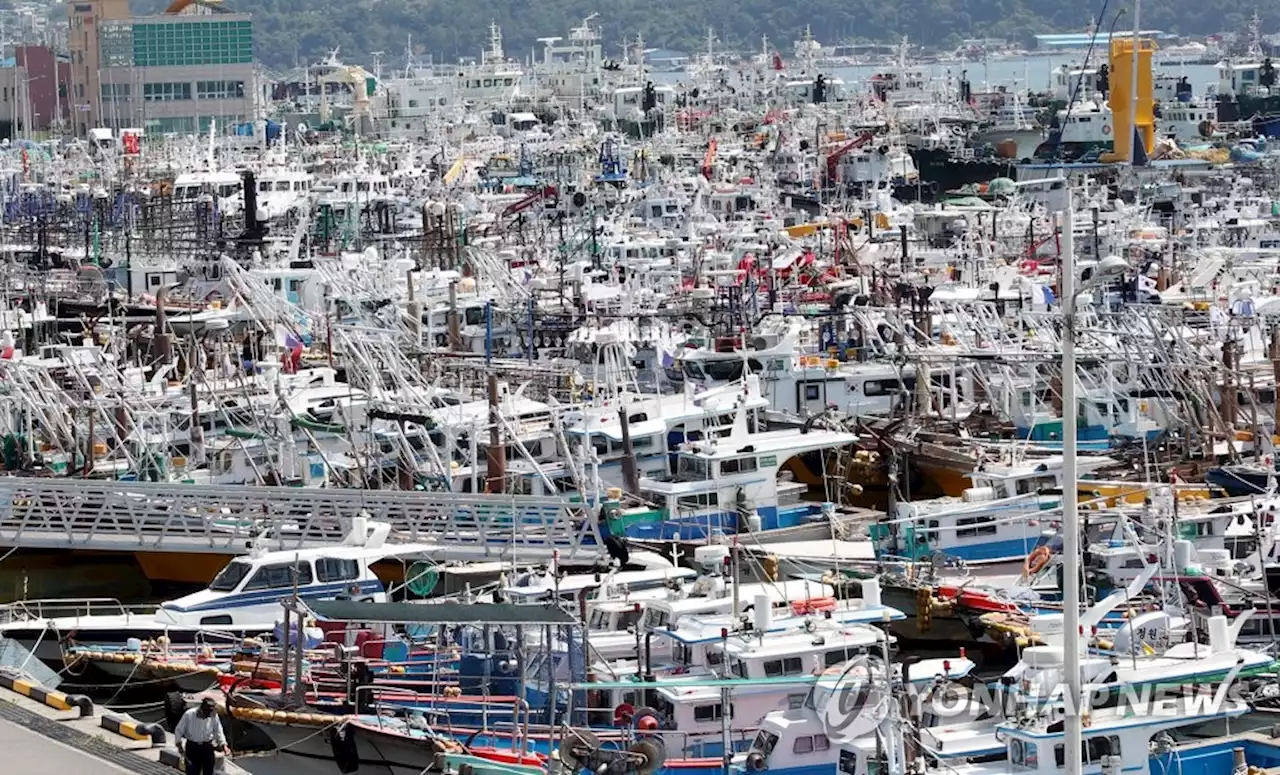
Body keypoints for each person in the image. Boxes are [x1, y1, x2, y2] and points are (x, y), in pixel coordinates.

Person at [174, 697, 230, 775]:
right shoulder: (189, 714)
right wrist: (179, 745)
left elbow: (218, 731)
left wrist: (224, 745)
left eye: (211, 711)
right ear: (201, 708)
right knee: (192, 772)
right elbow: (179, 730)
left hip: (207, 747)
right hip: (192, 747)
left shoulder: (213, 715)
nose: (208, 714)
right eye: (206, 711)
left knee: (208, 771)